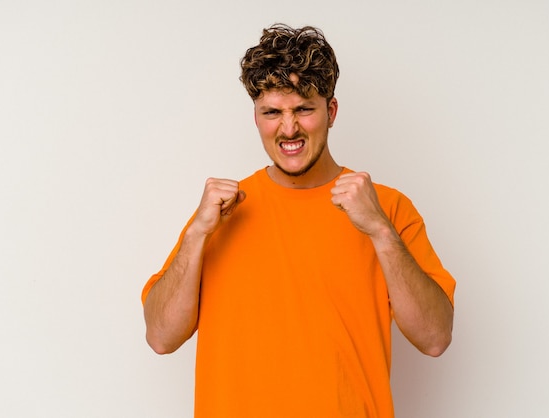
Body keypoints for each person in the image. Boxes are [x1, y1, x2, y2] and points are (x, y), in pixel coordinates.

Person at [142, 24, 456, 418]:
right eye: (272, 112)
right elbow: (160, 336)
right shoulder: (218, 215)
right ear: (256, 117)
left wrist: (379, 230)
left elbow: (435, 337)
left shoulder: (388, 210)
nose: (288, 128)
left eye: (304, 109)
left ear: (332, 111)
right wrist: (195, 235)